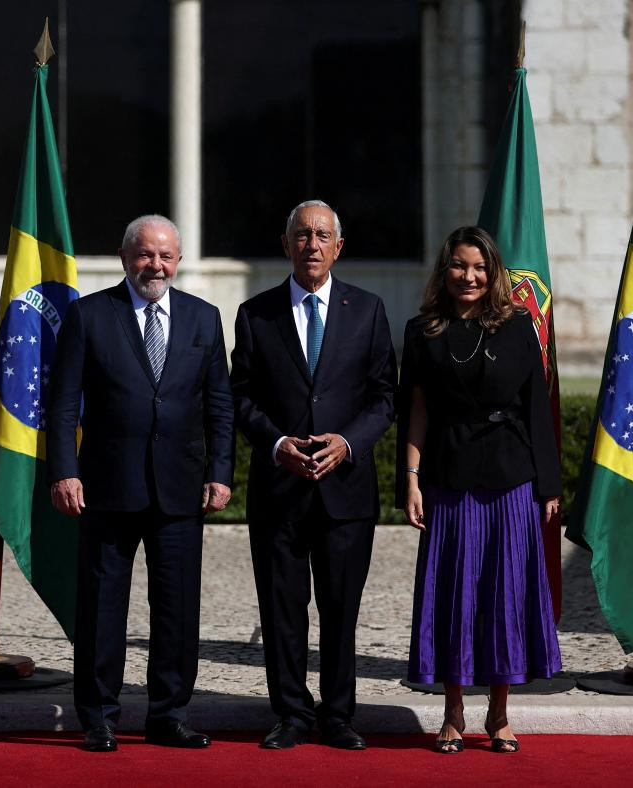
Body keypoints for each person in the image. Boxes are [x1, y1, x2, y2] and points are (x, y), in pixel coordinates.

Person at [46, 214, 234, 752]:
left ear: (178, 260)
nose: (156, 265)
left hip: (182, 487)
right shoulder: (89, 315)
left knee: (177, 608)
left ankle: (168, 714)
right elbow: (62, 405)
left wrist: (220, 472)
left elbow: (219, 405)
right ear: (126, 257)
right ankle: (100, 717)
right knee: (103, 605)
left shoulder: (203, 318)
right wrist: (64, 469)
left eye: (166, 256)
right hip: (107, 484)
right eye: (146, 255)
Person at [231, 200, 397, 750]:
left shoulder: (368, 309)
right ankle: (291, 714)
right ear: (286, 244)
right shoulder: (256, 313)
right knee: (281, 609)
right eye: (302, 235)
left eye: (323, 235)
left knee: (340, 609)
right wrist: (276, 443)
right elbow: (240, 396)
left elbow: (383, 396)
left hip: (345, 491)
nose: (312, 245)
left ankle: (339, 714)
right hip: (279, 489)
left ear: (339, 247)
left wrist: (348, 443)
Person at [396, 225, 562, 755]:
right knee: (454, 595)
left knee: (504, 596)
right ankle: (451, 713)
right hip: (449, 477)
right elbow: (415, 411)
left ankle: (499, 714)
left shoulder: (517, 328)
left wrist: (549, 485)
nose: (469, 276)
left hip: (512, 478)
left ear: (494, 274)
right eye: (459, 265)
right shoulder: (421, 330)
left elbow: (537, 407)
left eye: (479, 267)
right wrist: (411, 479)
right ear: (444, 270)